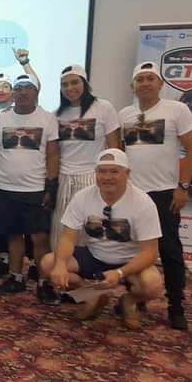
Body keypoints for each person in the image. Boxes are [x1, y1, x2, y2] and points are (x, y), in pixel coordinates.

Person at [41, 149, 165, 329]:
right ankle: (93, 296)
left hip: (129, 261)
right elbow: (68, 237)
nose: (107, 177)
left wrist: (120, 273)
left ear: (127, 174)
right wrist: (60, 264)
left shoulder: (143, 203)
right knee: (48, 263)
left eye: (114, 171)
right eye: (102, 171)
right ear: (96, 173)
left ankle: (128, 302)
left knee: (152, 285)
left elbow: (150, 253)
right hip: (94, 255)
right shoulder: (82, 197)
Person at [119, 61, 192, 330]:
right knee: (132, 250)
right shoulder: (125, 114)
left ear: (160, 83)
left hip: (164, 194)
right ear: (133, 85)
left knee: (170, 251)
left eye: (150, 78)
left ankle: (176, 306)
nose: (145, 83)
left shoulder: (177, 110)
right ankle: (136, 297)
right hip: (132, 195)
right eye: (140, 79)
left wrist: (183, 187)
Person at [0, 74, 59, 302]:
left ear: (36, 92)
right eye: (18, 88)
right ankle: (16, 277)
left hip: (36, 189)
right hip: (4, 188)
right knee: (13, 235)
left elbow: (53, 155)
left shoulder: (48, 119)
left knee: (40, 238)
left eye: (28, 88)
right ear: (13, 93)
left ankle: (44, 282)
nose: (23, 92)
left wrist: (51, 188)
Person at [52, 64, 121, 248]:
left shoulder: (103, 108)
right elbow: (55, 152)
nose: (70, 88)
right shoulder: (57, 115)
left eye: (74, 82)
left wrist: (113, 179)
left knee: (90, 228)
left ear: (84, 83)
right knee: (61, 228)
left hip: (92, 177)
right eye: (64, 84)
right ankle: (61, 263)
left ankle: (87, 264)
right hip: (64, 178)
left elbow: (114, 148)